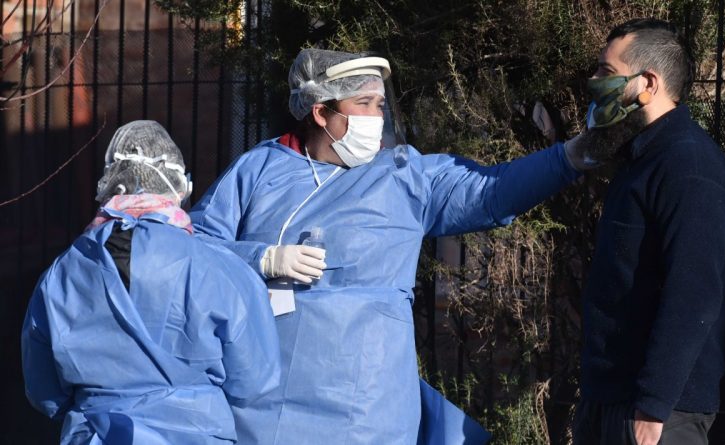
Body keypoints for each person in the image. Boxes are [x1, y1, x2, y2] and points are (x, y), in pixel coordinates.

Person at [189, 48, 591, 444]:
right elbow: (195, 251)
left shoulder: (404, 176)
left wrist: (570, 157)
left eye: (380, 105)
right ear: (321, 112)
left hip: (366, 408)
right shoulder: (258, 169)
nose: (376, 117)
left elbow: (492, 192)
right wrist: (261, 258)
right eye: (363, 103)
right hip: (263, 405)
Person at [21, 120, 281, 444]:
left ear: (111, 184)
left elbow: (44, 389)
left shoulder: (64, 271)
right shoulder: (219, 267)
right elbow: (254, 380)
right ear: (180, 187)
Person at [570, 19, 725, 445]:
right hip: (612, 401)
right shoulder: (641, 158)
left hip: (657, 416)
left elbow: (694, 293)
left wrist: (654, 405)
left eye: (607, 72)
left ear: (648, 83)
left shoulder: (689, 166)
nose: (594, 82)